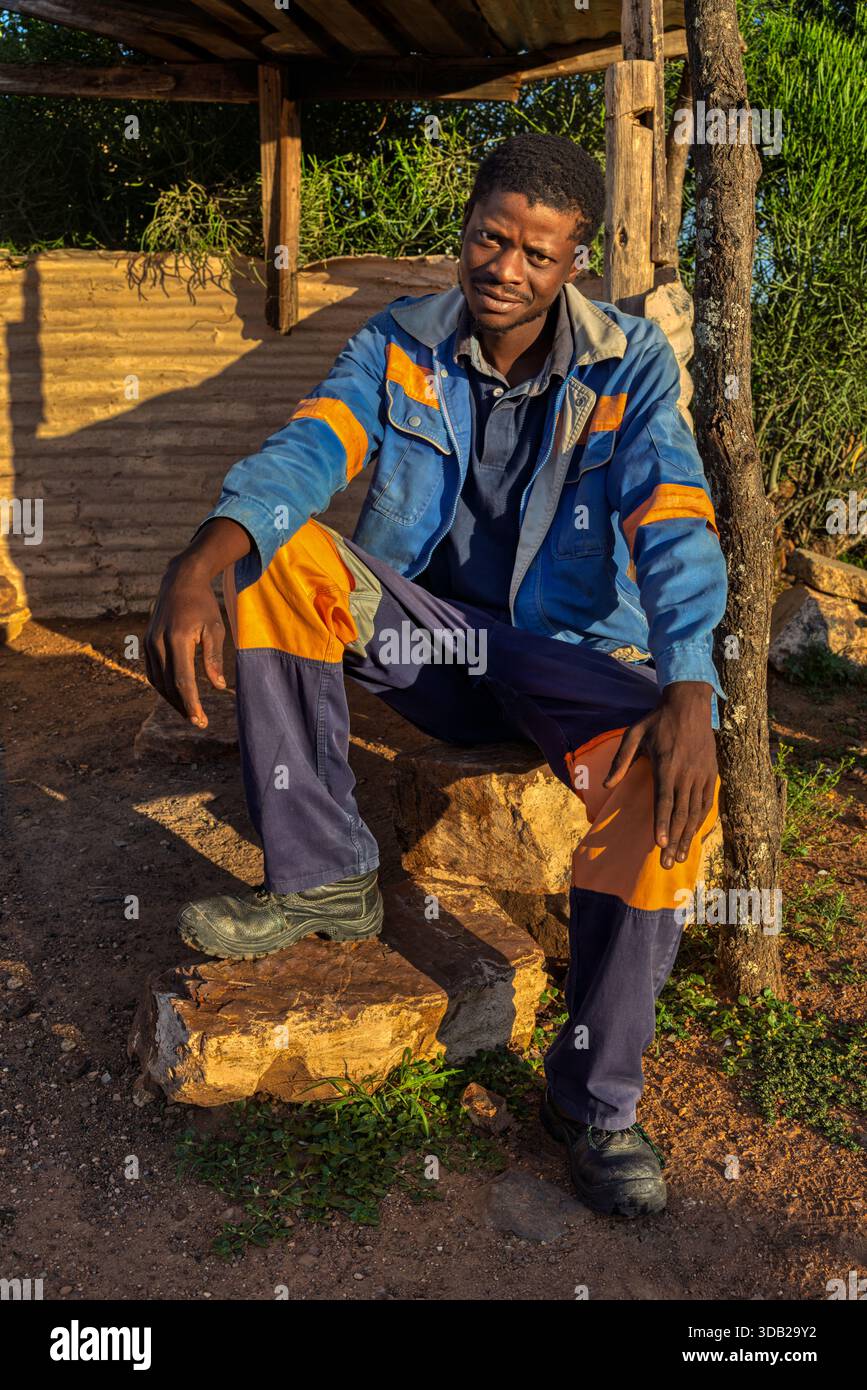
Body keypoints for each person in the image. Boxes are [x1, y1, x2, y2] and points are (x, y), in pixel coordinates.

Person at [145, 133, 727, 1219]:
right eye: (489, 239)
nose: (506, 269)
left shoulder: (629, 363)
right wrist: (207, 550)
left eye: (538, 255)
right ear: (464, 230)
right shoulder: (396, 340)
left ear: (575, 264)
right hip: (434, 648)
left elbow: (676, 516)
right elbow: (312, 447)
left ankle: (593, 1102)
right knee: (285, 558)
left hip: (570, 661)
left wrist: (692, 683)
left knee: (660, 780)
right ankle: (324, 877)